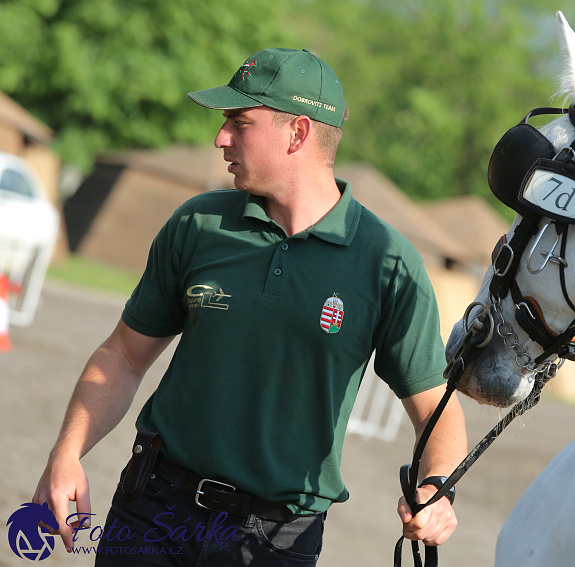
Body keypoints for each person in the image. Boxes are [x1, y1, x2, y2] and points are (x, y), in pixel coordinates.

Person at [33, 48, 467, 566]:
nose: (220, 138)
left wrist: (438, 487)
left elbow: (436, 406)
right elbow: (124, 354)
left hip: (275, 543)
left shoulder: (387, 262)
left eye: (239, 122)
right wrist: (66, 452)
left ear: (298, 133)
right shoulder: (198, 224)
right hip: (153, 508)